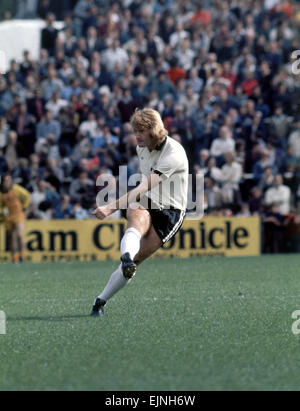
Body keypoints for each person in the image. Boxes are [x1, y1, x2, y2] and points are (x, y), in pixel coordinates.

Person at [90, 108, 189, 316]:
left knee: (135, 263)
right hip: (148, 201)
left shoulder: (174, 153)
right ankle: (125, 257)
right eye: (135, 130)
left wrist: (110, 207)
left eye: (141, 131)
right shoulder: (141, 148)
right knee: (135, 223)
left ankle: (101, 299)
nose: (137, 135)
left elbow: (144, 186)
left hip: (170, 213)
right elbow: (143, 192)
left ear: (154, 130)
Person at [0, 174, 31, 263]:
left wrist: (24, 207)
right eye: (5, 181)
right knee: (12, 238)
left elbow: (27, 196)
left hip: (18, 214)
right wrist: (2, 213)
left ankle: (22, 255)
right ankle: (14, 257)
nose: (7, 182)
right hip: (8, 216)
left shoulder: (16, 189)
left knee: (20, 234)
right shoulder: (2, 193)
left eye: (9, 180)